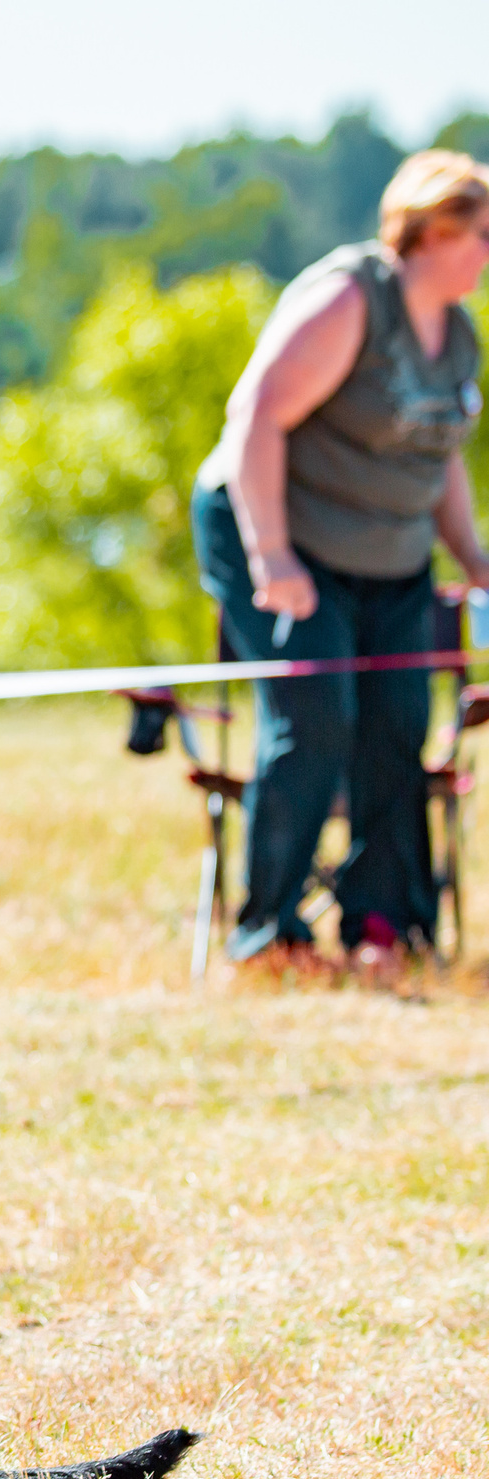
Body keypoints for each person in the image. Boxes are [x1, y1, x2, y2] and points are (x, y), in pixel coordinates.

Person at [193, 149, 489, 972]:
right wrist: (271, 556)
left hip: (389, 554)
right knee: (317, 713)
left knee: (397, 722)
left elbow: (438, 454)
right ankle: (271, 934)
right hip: (280, 536)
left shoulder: (458, 335)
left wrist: (473, 555)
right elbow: (255, 416)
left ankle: (380, 928)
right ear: (432, 231)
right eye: (482, 233)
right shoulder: (352, 301)